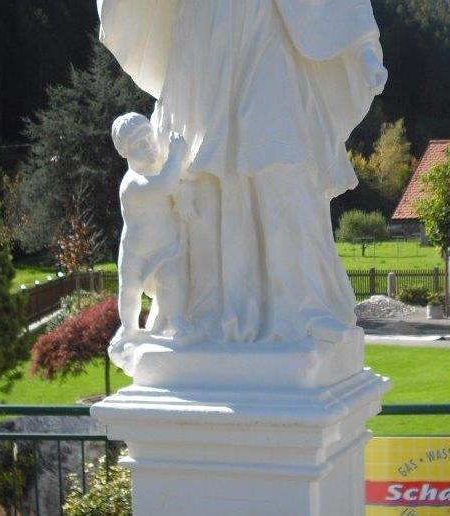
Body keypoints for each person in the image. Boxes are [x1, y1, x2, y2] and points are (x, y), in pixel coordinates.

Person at [98, 0, 387, 344]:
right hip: (205, 34)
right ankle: (207, 312)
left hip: (266, 28)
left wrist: (362, 47)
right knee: (201, 171)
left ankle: (303, 306)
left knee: (282, 163)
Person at [110, 113, 196, 345]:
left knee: (172, 281)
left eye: (149, 138)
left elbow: (176, 188)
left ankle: (176, 319)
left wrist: (184, 199)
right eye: (139, 145)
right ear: (125, 152)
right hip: (136, 252)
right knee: (130, 290)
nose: (148, 147)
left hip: (166, 245)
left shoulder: (157, 170)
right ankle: (129, 328)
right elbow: (165, 185)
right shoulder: (132, 183)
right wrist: (175, 155)